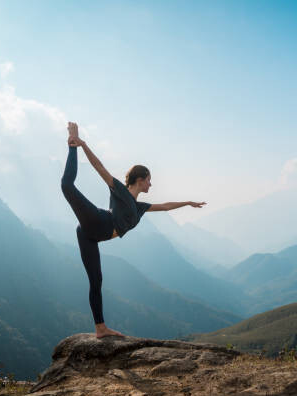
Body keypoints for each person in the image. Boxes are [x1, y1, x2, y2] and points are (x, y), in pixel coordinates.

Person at [61, 122, 206, 338]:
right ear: (140, 179)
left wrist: (187, 203)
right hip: (100, 222)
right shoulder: (120, 191)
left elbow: (165, 206)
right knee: (67, 186)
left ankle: (100, 328)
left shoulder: (140, 207)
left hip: (91, 235)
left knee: (96, 281)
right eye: (149, 180)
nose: (151, 184)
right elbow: (99, 166)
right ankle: (71, 144)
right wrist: (81, 144)